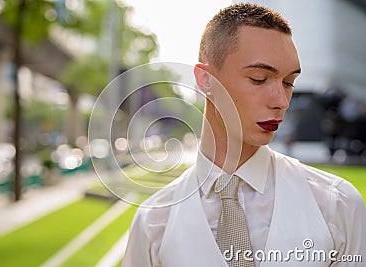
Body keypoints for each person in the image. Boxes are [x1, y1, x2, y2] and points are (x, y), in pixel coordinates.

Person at [122, 3, 366, 267]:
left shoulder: (337, 205)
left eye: (288, 83)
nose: (281, 101)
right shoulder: (154, 223)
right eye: (259, 79)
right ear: (205, 80)